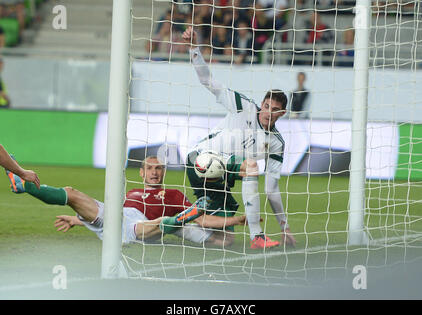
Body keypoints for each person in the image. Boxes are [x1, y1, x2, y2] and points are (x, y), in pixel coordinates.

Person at [182, 26, 296, 249]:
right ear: (261, 104)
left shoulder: (276, 143)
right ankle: (257, 236)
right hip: (200, 158)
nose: (268, 113)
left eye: (274, 110)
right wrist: (194, 49)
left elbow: (272, 189)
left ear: (282, 114)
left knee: (225, 239)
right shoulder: (242, 106)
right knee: (251, 166)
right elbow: (208, 82)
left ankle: (179, 225)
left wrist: (284, 226)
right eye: (266, 106)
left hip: (221, 173)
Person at [6, 155, 246, 247]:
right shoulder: (130, 194)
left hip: (138, 227)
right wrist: (76, 219)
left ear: (164, 172)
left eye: (159, 168)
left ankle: (182, 218)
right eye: (149, 168)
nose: (154, 172)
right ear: (141, 173)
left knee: (161, 221)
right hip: (114, 216)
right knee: (71, 192)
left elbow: (204, 221)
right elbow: (110, 219)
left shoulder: (173, 193)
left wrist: (235, 219)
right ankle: (23, 185)